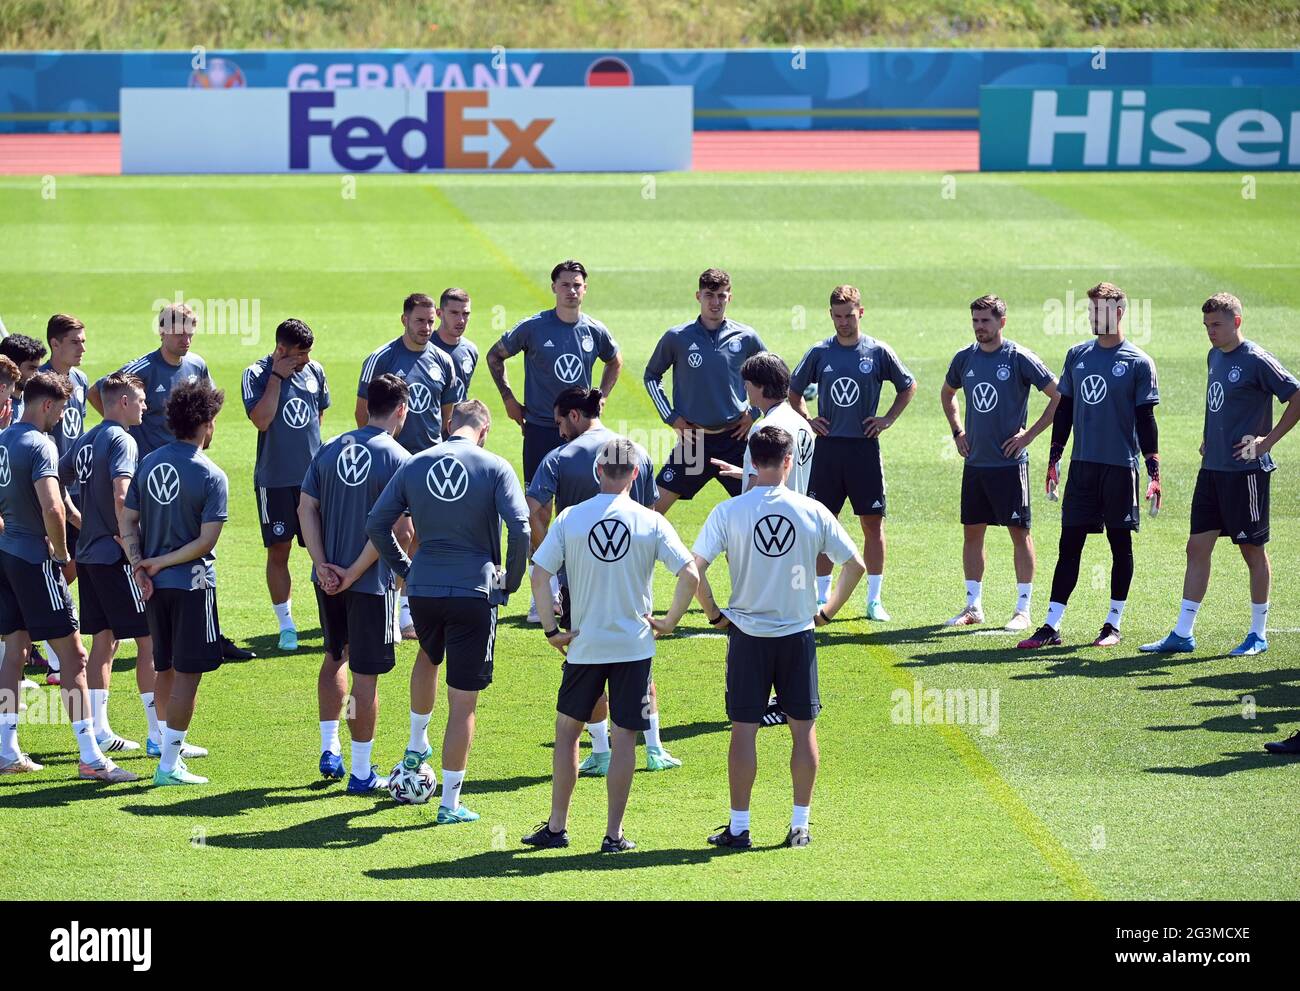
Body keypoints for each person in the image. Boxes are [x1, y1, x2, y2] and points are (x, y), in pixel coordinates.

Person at [692, 426, 865, 849]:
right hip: (798, 635)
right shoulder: (812, 510)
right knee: (803, 730)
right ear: (790, 462)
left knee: (743, 730)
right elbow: (856, 564)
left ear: (751, 460)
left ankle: (739, 827)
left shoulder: (729, 512)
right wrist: (826, 613)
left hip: (747, 635)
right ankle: (800, 826)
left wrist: (714, 614)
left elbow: (693, 568)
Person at [523, 437, 699, 852]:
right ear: (636, 475)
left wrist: (552, 630)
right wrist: (669, 622)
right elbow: (689, 573)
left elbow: (539, 575)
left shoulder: (569, 518)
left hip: (584, 646)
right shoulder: (650, 521)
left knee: (567, 735)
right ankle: (613, 835)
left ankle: (556, 827)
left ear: (598, 472)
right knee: (624, 741)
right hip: (634, 648)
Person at [367, 400, 530, 824]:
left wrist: (407, 568)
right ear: (485, 429)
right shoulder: (494, 466)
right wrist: (510, 581)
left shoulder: (415, 463)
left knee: (427, 654)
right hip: (473, 591)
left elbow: (376, 524)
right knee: (464, 703)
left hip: (423, 590)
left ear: (448, 423)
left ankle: (415, 745)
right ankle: (449, 804)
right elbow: (521, 527)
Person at [526, 386, 679, 773]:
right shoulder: (635, 451)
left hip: (580, 579)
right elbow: (650, 513)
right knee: (639, 661)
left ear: (574, 416)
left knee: (584, 662)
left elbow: (534, 512)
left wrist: (552, 563)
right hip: (631, 578)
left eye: (560, 422)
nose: (558, 430)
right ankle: (654, 748)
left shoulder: (558, 457)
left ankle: (599, 750)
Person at [1141, 293, 1300, 656]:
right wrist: (1207, 438)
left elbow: (1296, 396)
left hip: (1245, 473)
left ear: (1236, 322)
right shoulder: (1214, 356)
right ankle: (1183, 633)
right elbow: (1220, 402)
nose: (1210, 332)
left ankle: (1258, 634)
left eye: (1217, 325)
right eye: (1207, 326)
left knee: (1251, 551)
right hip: (1212, 470)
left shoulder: (1256, 359)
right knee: (1196, 547)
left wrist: (1266, 442)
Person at [92, 304, 252, 662]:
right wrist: (127, 434)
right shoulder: (142, 369)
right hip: (156, 480)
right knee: (157, 551)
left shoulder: (196, 365)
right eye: (179, 332)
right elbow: (100, 392)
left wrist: (203, 437)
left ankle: (206, 632)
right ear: (161, 331)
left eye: (190, 331)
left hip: (190, 473)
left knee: (200, 553)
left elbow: (208, 404)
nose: (185, 339)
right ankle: (158, 635)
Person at [0, 372, 135, 781]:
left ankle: (6, 750)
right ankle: (91, 757)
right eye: (59, 409)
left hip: (6, 556)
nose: (61, 417)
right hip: (34, 559)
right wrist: (60, 553)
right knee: (75, 656)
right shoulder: (39, 444)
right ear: (46, 405)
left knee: (16, 650)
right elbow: (53, 507)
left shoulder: (3, 440)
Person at [1018, 283, 1162, 650]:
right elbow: (1063, 410)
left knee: (1119, 543)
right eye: (1091, 311)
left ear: (1120, 313)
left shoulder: (1138, 362)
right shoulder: (1077, 355)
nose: (1094, 317)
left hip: (1120, 468)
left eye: (1101, 311)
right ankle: (1051, 626)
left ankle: (1113, 624)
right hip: (1083, 468)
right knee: (1070, 545)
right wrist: (1054, 458)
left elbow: (1146, 419)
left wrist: (1153, 470)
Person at [60, 373, 195, 758]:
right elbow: (123, 495)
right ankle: (158, 734)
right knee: (149, 642)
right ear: (122, 402)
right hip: (115, 557)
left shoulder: (87, 438)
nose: (146, 406)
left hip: (89, 556)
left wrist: (80, 522)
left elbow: (58, 479)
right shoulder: (122, 439)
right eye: (139, 400)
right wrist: (130, 545)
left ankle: (101, 730)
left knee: (104, 640)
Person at [485, 260, 622, 622]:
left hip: (582, 435)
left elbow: (615, 361)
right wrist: (509, 399)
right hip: (543, 430)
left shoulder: (595, 330)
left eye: (577, 285)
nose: (572, 290)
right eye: (565, 285)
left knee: (579, 507)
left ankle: (581, 585)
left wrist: (601, 396)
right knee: (538, 510)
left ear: (585, 289)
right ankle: (545, 590)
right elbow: (495, 356)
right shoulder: (533, 327)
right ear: (553, 288)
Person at [299, 373, 411, 791]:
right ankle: (362, 773)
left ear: (367, 407)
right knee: (366, 676)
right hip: (368, 585)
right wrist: (355, 572)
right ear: (401, 410)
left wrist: (323, 563)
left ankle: (331, 748)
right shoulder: (400, 458)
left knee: (335, 657)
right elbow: (400, 532)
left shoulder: (329, 449)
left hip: (326, 580)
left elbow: (305, 507)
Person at [120, 380, 230, 786]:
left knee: (164, 665)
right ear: (204, 424)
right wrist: (159, 562)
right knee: (188, 674)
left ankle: (169, 747)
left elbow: (128, 519)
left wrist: (140, 564)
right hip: (193, 585)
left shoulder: (149, 462)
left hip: (153, 586)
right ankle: (169, 764)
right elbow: (206, 540)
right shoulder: (211, 474)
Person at [789, 285, 917, 618]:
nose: (843, 322)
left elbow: (908, 385)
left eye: (849, 315)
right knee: (822, 523)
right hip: (828, 450)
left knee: (872, 524)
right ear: (830, 315)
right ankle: (821, 597)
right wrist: (806, 418)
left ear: (860, 313)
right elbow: (794, 389)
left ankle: (874, 600)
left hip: (863, 450)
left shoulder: (877, 352)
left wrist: (887, 419)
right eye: (837, 316)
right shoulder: (820, 352)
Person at [940, 295, 1059, 632]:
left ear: (1001, 322)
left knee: (1019, 534)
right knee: (972, 533)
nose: (980, 327)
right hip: (976, 463)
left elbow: (1059, 396)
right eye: (975, 321)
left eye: (985, 321)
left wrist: (1028, 436)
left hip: (1010, 465)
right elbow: (947, 393)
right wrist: (957, 431)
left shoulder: (1019, 357)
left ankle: (1023, 610)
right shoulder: (965, 359)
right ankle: (973, 606)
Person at [357, 292, 460, 638]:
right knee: (400, 532)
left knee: (420, 535)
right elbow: (362, 413)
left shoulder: (443, 361)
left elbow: (447, 418)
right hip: (391, 463)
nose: (427, 328)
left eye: (432, 321)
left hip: (428, 463)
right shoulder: (381, 358)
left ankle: (403, 607)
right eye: (420, 321)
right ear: (404, 320)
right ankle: (390, 605)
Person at [644, 268, 766, 515]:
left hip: (735, 440)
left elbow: (771, 373)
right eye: (709, 295)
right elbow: (651, 376)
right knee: (650, 512)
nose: (715, 302)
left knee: (755, 515)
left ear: (729, 297)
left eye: (721, 295)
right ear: (698, 296)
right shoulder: (677, 337)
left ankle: (744, 555)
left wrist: (753, 413)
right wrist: (672, 418)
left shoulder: (745, 336)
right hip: (694, 441)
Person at [243, 318, 330, 651]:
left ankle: (329, 619)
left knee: (323, 549)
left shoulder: (315, 371)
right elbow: (262, 420)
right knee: (279, 551)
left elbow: (316, 417)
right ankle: (287, 626)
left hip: (313, 482)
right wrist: (278, 377)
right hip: (274, 481)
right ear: (281, 350)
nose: (305, 360)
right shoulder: (256, 374)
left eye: (309, 353)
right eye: (299, 354)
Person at [41, 315, 89, 591]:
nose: (82, 348)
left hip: (76, 482)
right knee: (54, 557)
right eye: (75, 342)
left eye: (83, 342)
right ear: (55, 344)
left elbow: (77, 429)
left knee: (75, 559)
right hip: (47, 482)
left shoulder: (80, 379)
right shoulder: (40, 383)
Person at [430, 288, 478, 403]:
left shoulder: (470, 350)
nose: (461, 320)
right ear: (439, 314)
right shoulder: (425, 348)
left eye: (465, 314)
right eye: (454, 313)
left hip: (459, 420)